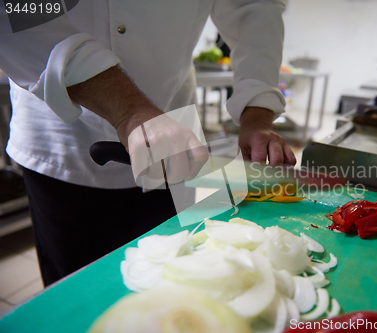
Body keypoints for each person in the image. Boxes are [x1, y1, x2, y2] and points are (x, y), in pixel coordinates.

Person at [0, 0, 296, 286]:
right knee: (77, 291)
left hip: (175, 124)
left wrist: (257, 114)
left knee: (180, 273)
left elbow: (256, 8)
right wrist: (129, 111)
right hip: (63, 131)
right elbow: (17, 10)